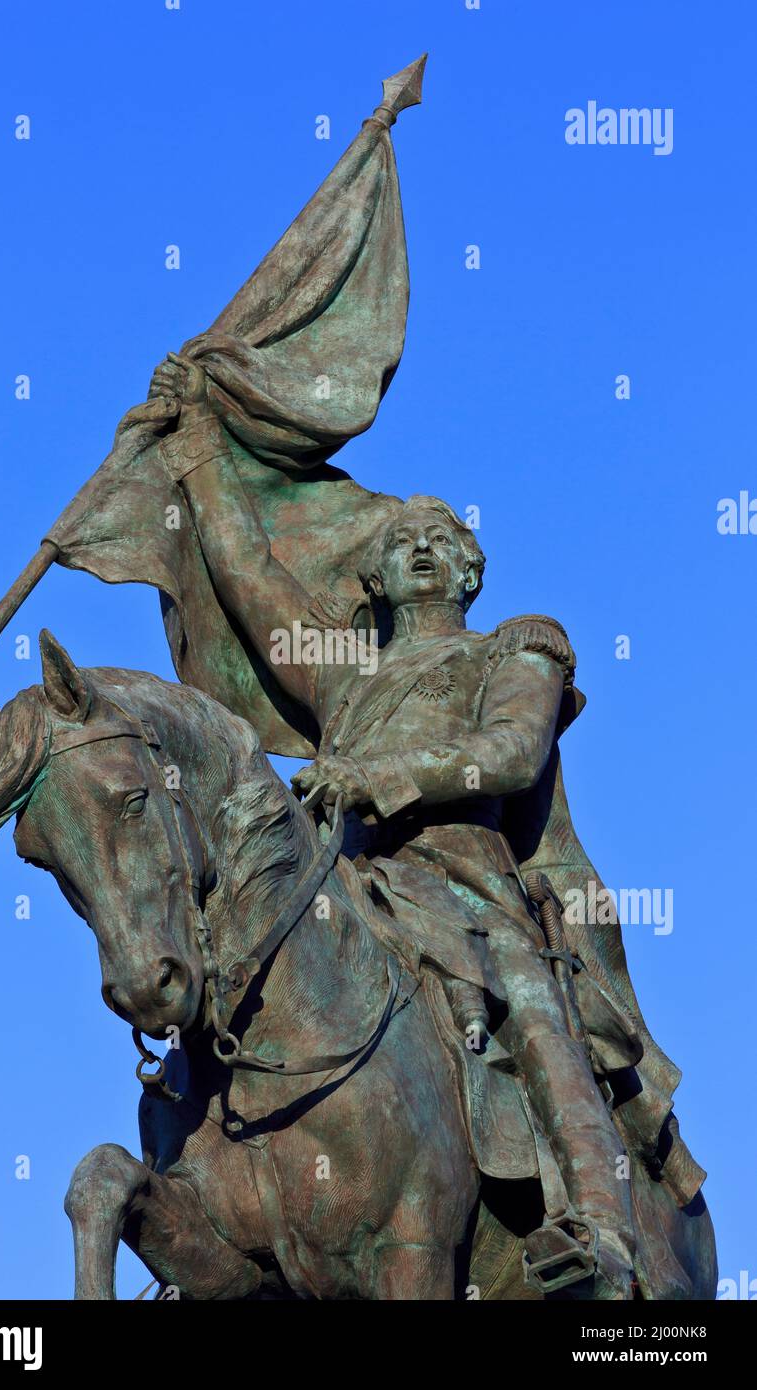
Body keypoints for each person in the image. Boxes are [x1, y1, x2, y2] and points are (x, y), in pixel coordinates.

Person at [155, 357, 640, 1296]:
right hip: (350, 889)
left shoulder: (516, 645)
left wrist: (376, 775)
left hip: (468, 890)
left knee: (537, 1017)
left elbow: (507, 756)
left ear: (470, 566)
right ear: (372, 575)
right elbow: (251, 574)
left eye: (441, 534)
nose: (420, 544)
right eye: (402, 537)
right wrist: (201, 449)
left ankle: (604, 1234)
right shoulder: (346, 677)